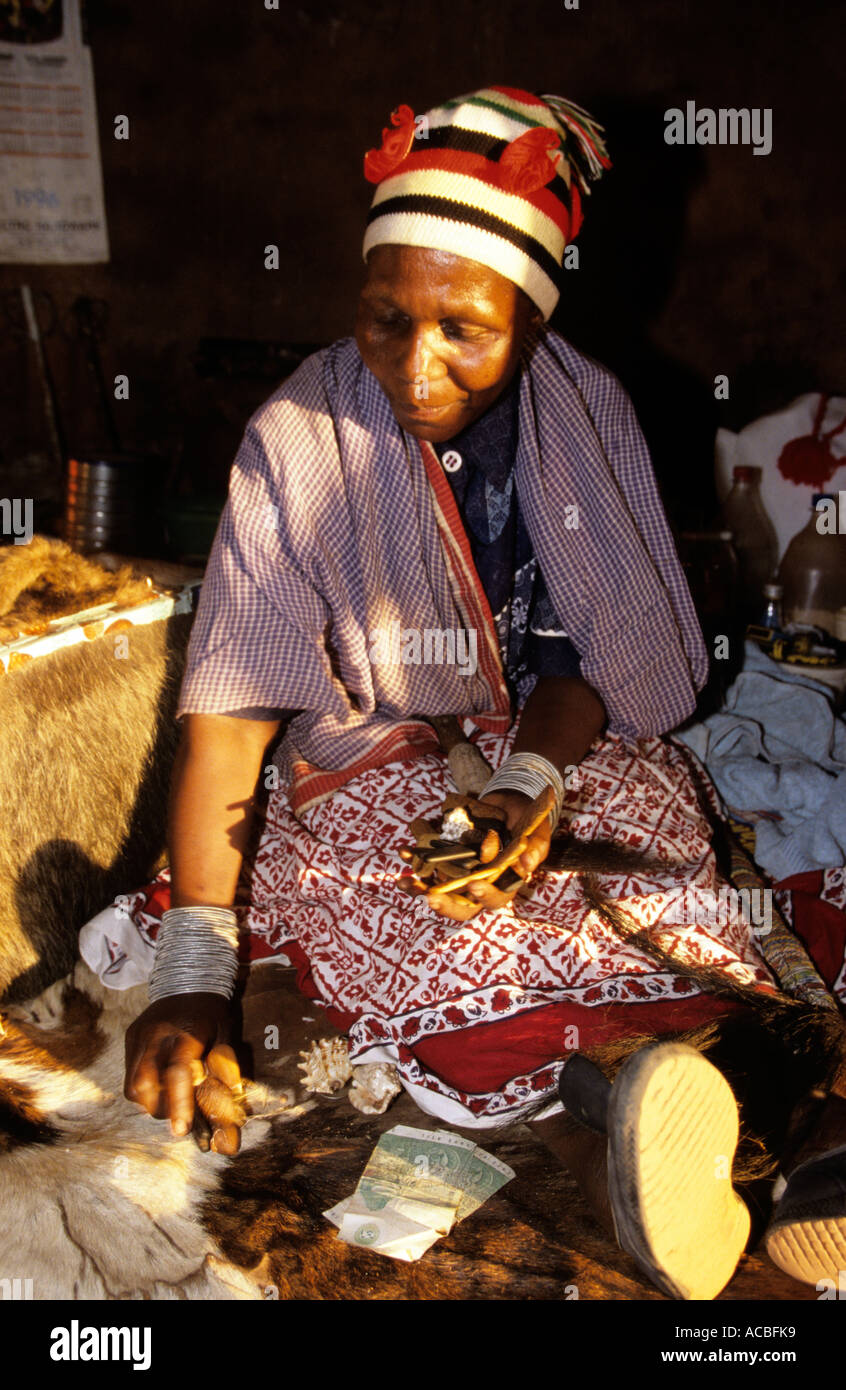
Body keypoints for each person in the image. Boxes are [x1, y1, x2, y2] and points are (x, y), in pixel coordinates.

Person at [122, 86, 846, 1299]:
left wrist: (527, 785)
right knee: (434, 922)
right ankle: (661, 1133)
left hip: (555, 743)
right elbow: (236, 706)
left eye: (464, 328)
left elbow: (588, 665)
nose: (416, 365)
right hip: (368, 743)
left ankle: (756, 1123)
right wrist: (192, 966)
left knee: (661, 863)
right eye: (382, 318)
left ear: (531, 315)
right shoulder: (297, 438)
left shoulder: (587, 410)